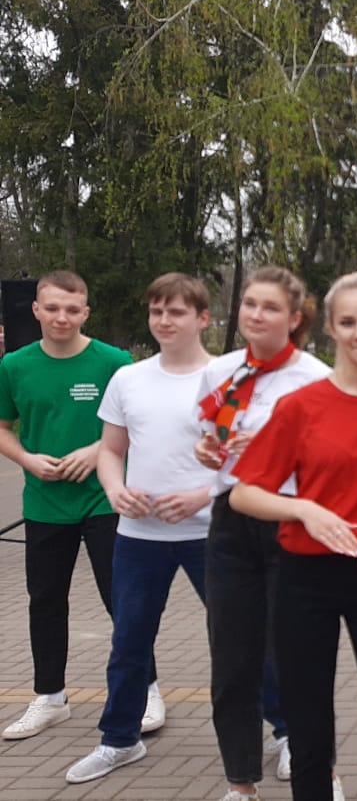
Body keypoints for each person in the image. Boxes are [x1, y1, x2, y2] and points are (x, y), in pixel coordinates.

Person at [230, 273, 357, 801]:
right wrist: (303, 509)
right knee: (309, 728)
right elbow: (244, 494)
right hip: (305, 578)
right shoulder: (302, 406)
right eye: (348, 322)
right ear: (332, 330)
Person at [63, 274, 216, 782]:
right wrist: (114, 490)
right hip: (139, 537)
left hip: (212, 534)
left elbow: (252, 461)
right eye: (156, 311)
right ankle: (120, 741)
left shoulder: (225, 379)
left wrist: (201, 496)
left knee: (245, 637)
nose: (164, 321)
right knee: (129, 641)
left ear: (202, 318)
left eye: (176, 311)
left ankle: (285, 735)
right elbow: (111, 451)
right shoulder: (128, 379)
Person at [196, 266, 330, 801]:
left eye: (270, 307)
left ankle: (320, 770)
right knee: (232, 659)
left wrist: (276, 449)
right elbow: (207, 439)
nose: (256, 315)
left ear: (294, 319)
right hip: (230, 521)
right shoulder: (220, 371)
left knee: (296, 655)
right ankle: (241, 783)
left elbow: (332, 458)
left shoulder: (316, 379)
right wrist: (207, 450)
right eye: (250, 304)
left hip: (291, 518)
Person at [0, 271, 135, 740]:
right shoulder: (13, 366)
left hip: (105, 499)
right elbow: (2, 427)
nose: (62, 317)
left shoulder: (115, 362)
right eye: (53, 308)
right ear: (36, 310)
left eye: (72, 309)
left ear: (85, 313)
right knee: (45, 602)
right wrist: (27, 459)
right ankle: (50, 698)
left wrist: (97, 451)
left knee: (123, 600)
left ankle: (146, 690)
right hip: (44, 504)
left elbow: (138, 423)